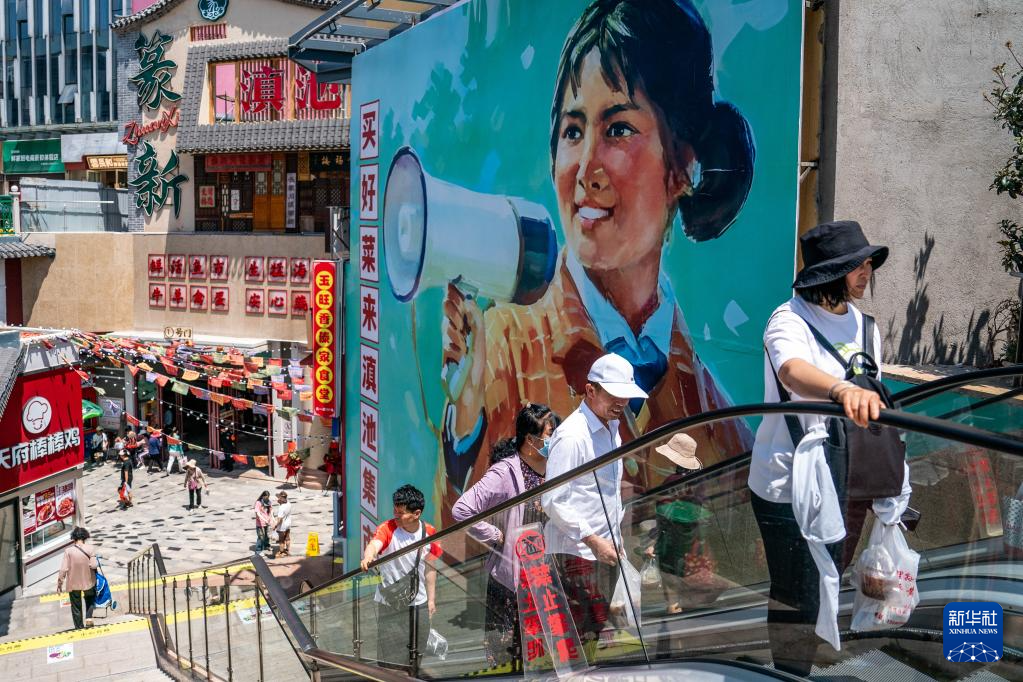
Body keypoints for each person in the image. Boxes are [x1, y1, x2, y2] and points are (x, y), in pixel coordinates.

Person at [439, 0, 754, 520]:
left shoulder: (717, 416)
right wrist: (466, 422)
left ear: (682, 165)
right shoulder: (503, 347)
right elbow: (464, 537)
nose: (586, 168)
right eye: (572, 131)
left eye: (619, 129)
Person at [748, 219, 888, 676]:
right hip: (787, 481)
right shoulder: (788, 320)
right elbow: (791, 371)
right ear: (831, 271)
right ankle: (790, 671)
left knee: (829, 579)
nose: (867, 271)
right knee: (797, 591)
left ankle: (802, 664)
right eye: (856, 265)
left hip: (846, 479)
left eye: (868, 263)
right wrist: (840, 389)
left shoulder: (867, 328)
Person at [541, 353, 647, 647]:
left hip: (603, 547)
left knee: (599, 629)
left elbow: (608, 491)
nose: (622, 403)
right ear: (590, 390)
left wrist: (613, 538)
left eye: (625, 395)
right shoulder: (572, 436)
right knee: (579, 634)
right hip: (576, 551)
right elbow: (553, 499)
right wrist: (592, 539)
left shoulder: (611, 427)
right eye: (614, 395)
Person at [452, 403, 558, 669]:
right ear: (530, 440)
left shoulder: (555, 467)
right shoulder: (505, 472)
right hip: (513, 580)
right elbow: (462, 510)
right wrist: (496, 535)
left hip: (545, 576)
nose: (554, 439)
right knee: (507, 657)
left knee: (544, 655)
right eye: (550, 433)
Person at [361, 485, 441, 671]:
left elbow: (430, 567)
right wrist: (368, 556)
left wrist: (431, 599)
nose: (395, 516)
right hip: (390, 602)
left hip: (419, 602)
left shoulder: (430, 532)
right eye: (394, 510)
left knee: (418, 650)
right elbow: (374, 544)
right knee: (391, 657)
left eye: (401, 513)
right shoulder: (388, 528)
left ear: (416, 514)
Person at [57, 527, 98, 629]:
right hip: (89, 581)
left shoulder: (68, 551)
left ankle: (79, 627)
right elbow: (94, 565)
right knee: (90, 599)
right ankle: (88, 620)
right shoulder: (90, 549)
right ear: (85, 537)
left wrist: (59, 585)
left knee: (76, 606)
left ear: (73, 538)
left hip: (73, 583)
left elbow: (63, 569)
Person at [274, 491, 293, 557]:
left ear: (281, 498)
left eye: (279, 498)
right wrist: (280, 502)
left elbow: (280, 519)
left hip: (282, 526)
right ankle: (287, 550)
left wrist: (275, 525)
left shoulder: (281, 508)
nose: (278, 499)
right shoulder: (289, 503)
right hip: (288, 524)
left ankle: (281, 552)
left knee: (281, 540)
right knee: (287, 538)